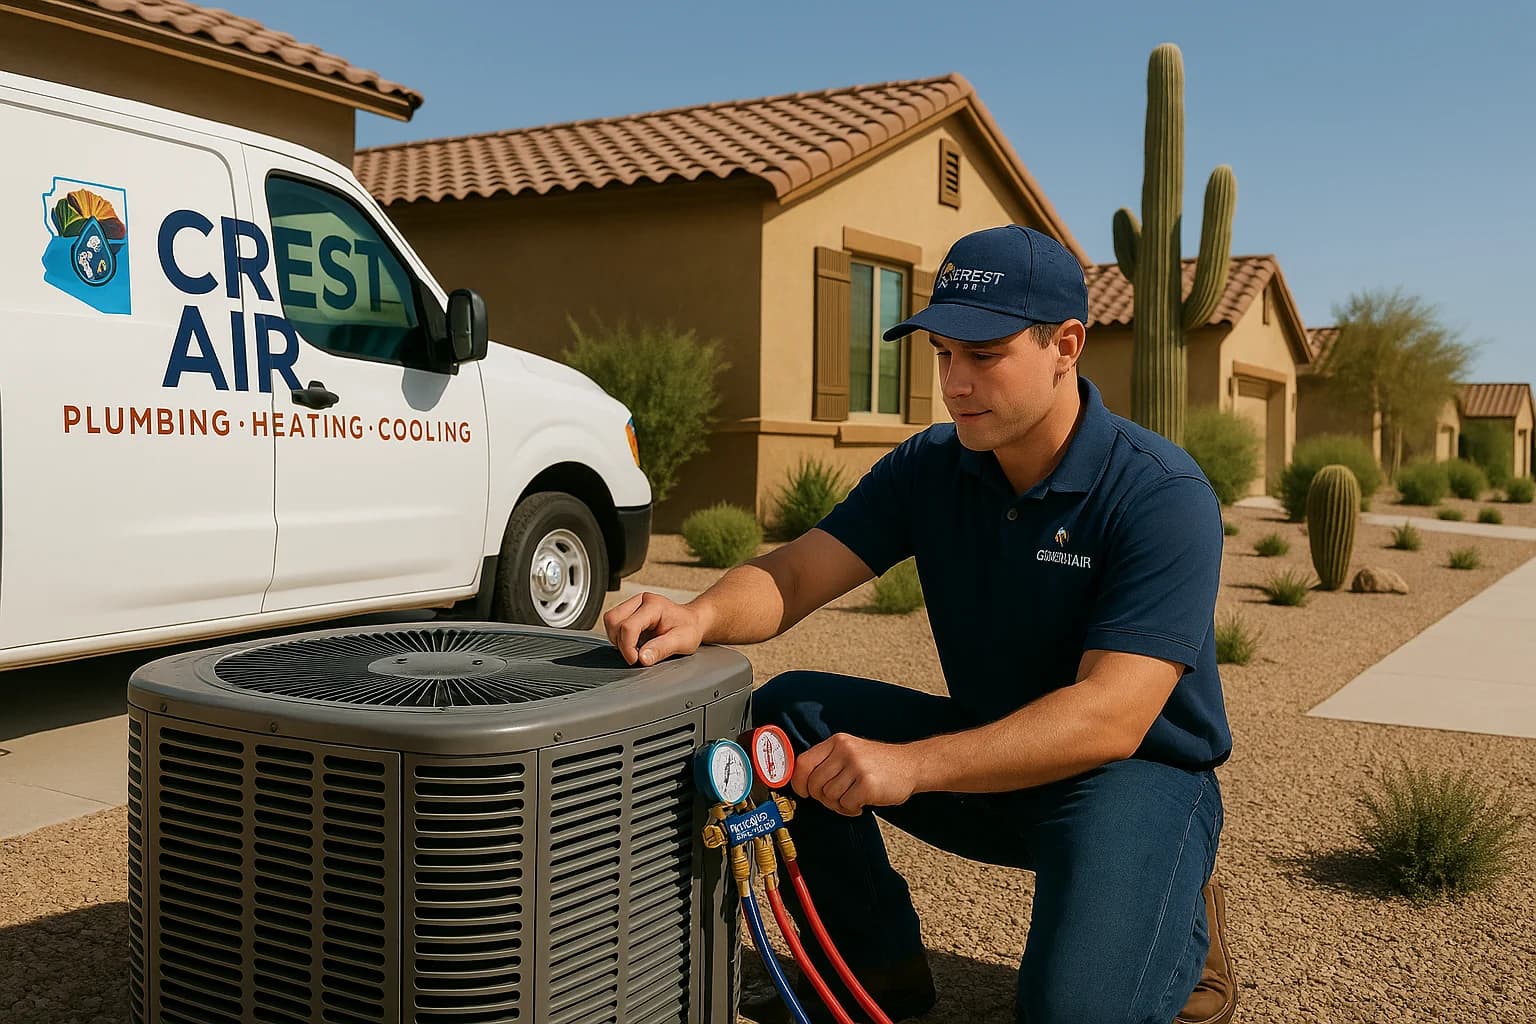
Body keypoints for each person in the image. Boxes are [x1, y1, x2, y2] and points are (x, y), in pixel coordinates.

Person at [604, 224, 1236, 1024]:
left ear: (1067, 346)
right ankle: (877, 970)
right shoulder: (931, 467)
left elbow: (1110, 714)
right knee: (788, 717)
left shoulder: (1159, 494)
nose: (955, 383)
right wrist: (699, 614)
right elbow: (794, 574)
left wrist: (911, 764)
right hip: (991, 756)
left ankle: (1177, 906)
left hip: (1133, 776)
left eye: (985, 355)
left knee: (1073, 1011)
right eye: (943, 353)